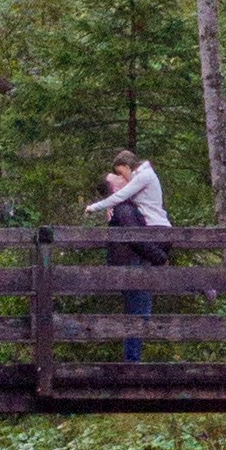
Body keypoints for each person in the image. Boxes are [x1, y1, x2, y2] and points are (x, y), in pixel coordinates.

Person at [85, 153, 171, 362]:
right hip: (131, 263)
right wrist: (160, 258)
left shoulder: (128, 207)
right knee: (138, 315)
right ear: (115, 189)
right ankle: (132, 364)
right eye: (119, 178)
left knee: (140, 313)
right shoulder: (124, 209)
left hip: (134, 262)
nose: (125, 179)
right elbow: (136, 239)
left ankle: (133, 362)